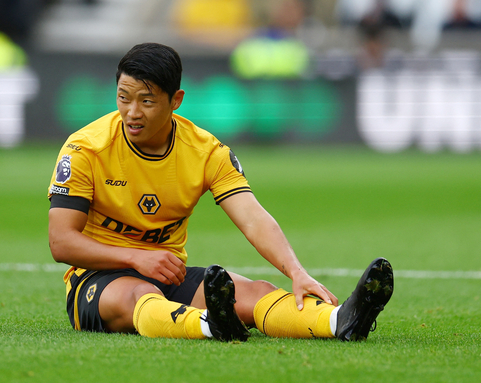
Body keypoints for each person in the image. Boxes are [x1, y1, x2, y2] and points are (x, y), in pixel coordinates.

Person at [47, 42, 394, 342]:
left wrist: (296, 272)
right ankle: (210, 323)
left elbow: (253, 219)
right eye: (124, 98)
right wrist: (136, 257)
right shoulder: (85, 149)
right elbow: (61, 242)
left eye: (146, 101)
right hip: (98, 280)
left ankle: (339, 321)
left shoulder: (204, 151)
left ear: (176, 100)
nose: (132, 112)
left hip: (169, 273)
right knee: (142, 293)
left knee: (257, 292)